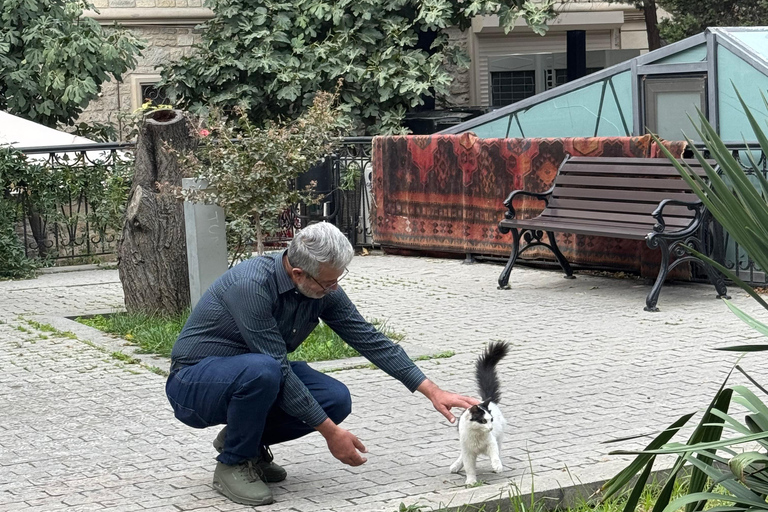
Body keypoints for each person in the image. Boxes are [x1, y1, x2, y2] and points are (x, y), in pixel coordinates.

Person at [166, 221, 478, 506]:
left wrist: (432, 391)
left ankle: (241, 439)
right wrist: (331, 434)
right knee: (264, 371)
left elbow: (368, 338)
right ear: (299, 273)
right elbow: (277, 367)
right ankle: (234, 462)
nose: (334, 289)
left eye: (337, 280)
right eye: (328, 283)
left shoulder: (320, 287)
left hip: (255, 374)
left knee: (333, 398)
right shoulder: (251, 286)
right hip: (194, 385)